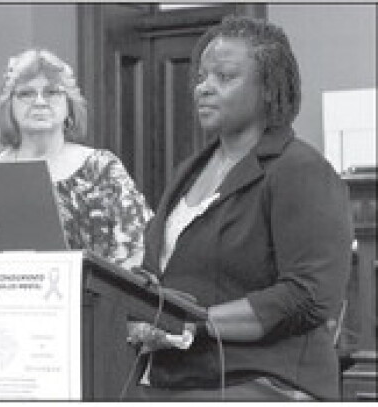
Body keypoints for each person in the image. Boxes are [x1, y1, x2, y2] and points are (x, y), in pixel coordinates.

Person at [127, 16, 353, 401]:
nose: (205, 88)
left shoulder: (300, 169)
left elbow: (310, 295)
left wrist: (195, 324)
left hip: (263, 381)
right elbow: (159, 271)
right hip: (171, 379)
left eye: (224, 77)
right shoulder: (190, 170)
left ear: (268, 88)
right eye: (201, 77)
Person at [0, 48, 153, 269]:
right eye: (26, 93)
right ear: (9, 106)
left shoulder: (102, 169)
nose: (39, 102)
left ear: (69, 105)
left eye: (52, 92)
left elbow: (138, 251)